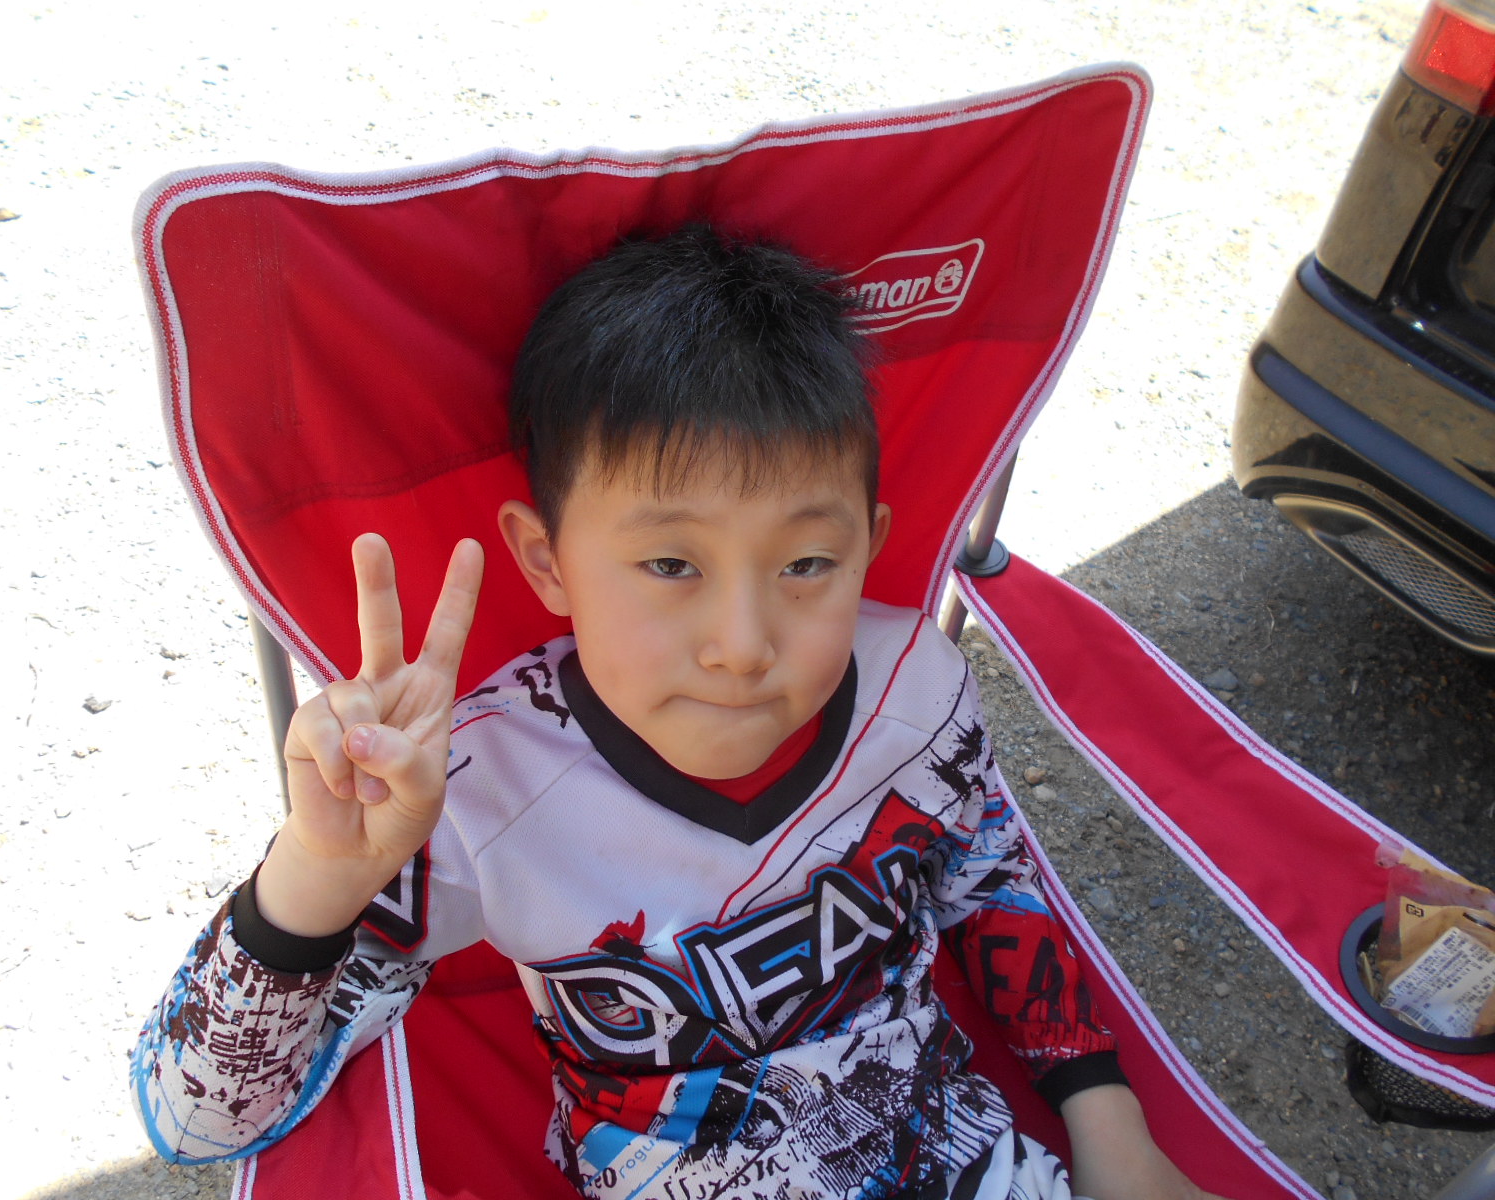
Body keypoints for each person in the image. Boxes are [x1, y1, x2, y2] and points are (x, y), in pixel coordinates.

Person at [132, 225, 1223, 1200]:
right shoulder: (470, 795)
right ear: (545, 561)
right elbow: (197, 1122)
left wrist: (1110, 1132)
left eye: (807, 563)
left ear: (870, 545)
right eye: (669, 564)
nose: (742, 645)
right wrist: (317, 875)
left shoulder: (917, 688)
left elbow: (988, 884)